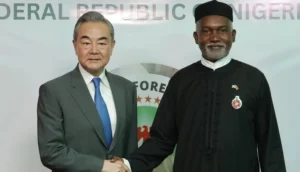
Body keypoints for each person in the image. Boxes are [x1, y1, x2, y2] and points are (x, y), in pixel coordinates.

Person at [111, 0, 286, 171]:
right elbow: (161, 140)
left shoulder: (253, 79)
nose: (215, 38)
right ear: (196, 37)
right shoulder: (181, 81)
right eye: (206, 31)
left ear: (233, 35)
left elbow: (269, 144)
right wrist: (129, 164)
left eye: (222, 30)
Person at [37, 11, 136, 172]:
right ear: (75, 46)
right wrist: (101, 166)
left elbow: (130, 148)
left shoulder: (126, 88)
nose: (94, 50)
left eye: (102, 43)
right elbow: (51, 152)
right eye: (86, 43)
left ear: (112, 46)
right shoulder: (53, 91)